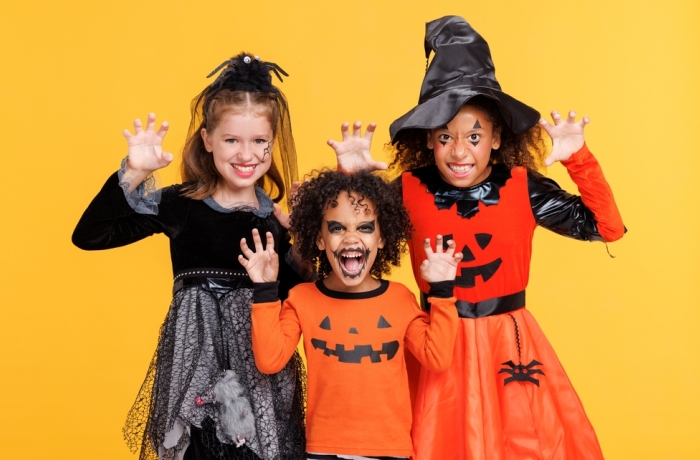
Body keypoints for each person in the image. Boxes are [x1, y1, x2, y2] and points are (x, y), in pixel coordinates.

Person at [329, 16, 625, 460]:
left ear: (496, 137)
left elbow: (608, 228)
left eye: (473, 136)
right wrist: (349, 182)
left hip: (509, 343)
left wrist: (579, 160)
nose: (460, 151)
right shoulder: (408, 190)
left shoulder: (524, 186)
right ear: (429, 140)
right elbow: (348, 250)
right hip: (436, 340)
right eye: (446, 137)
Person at [72, 53, 306, 460]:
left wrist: (301, 241)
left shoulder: (277, 219)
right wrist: (134, 171)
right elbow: (90, 235)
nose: (246, 154)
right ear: (207, 140)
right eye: (232, 140)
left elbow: (301, 298)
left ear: (271, 144)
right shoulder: (181, 204)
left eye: (258, 142)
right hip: (194, 372)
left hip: (261, 376)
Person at [237, 170, 462, 459]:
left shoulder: (400, 298)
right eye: (338, 228)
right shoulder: (303, 298)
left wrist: (442, 292)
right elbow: (269, 361)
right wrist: (266, 289)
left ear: (382, 238)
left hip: (390, 449)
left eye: (365, 228)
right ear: (319, 239)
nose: (351, 238)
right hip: (323, 449)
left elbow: (437, 357)